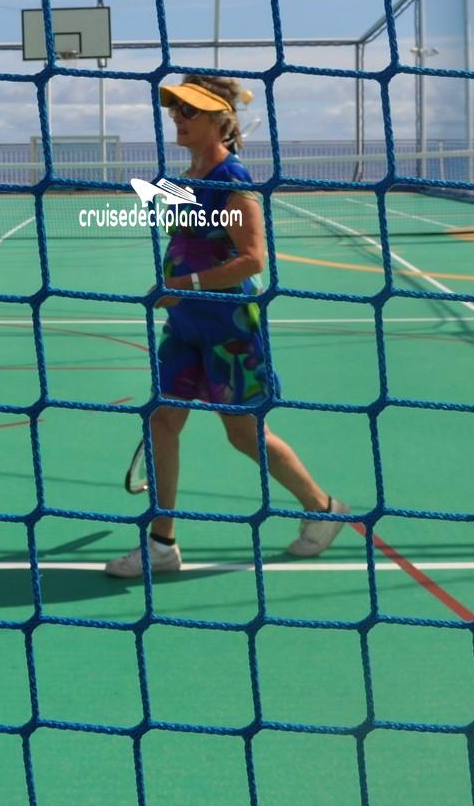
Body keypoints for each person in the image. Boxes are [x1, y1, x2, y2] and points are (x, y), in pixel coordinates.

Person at [106, 73, 348, 580]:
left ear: (220, 121)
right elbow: (185, 233)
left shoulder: (232, 179)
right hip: (184, 328)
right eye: (175, 109)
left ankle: (322, 508)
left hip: (228, 332)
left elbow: (253, 259)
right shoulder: (187, 177)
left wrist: (185, 283)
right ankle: (162, 544)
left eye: (189, 110)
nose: (177, 117)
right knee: (162, 422)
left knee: (245, 436)